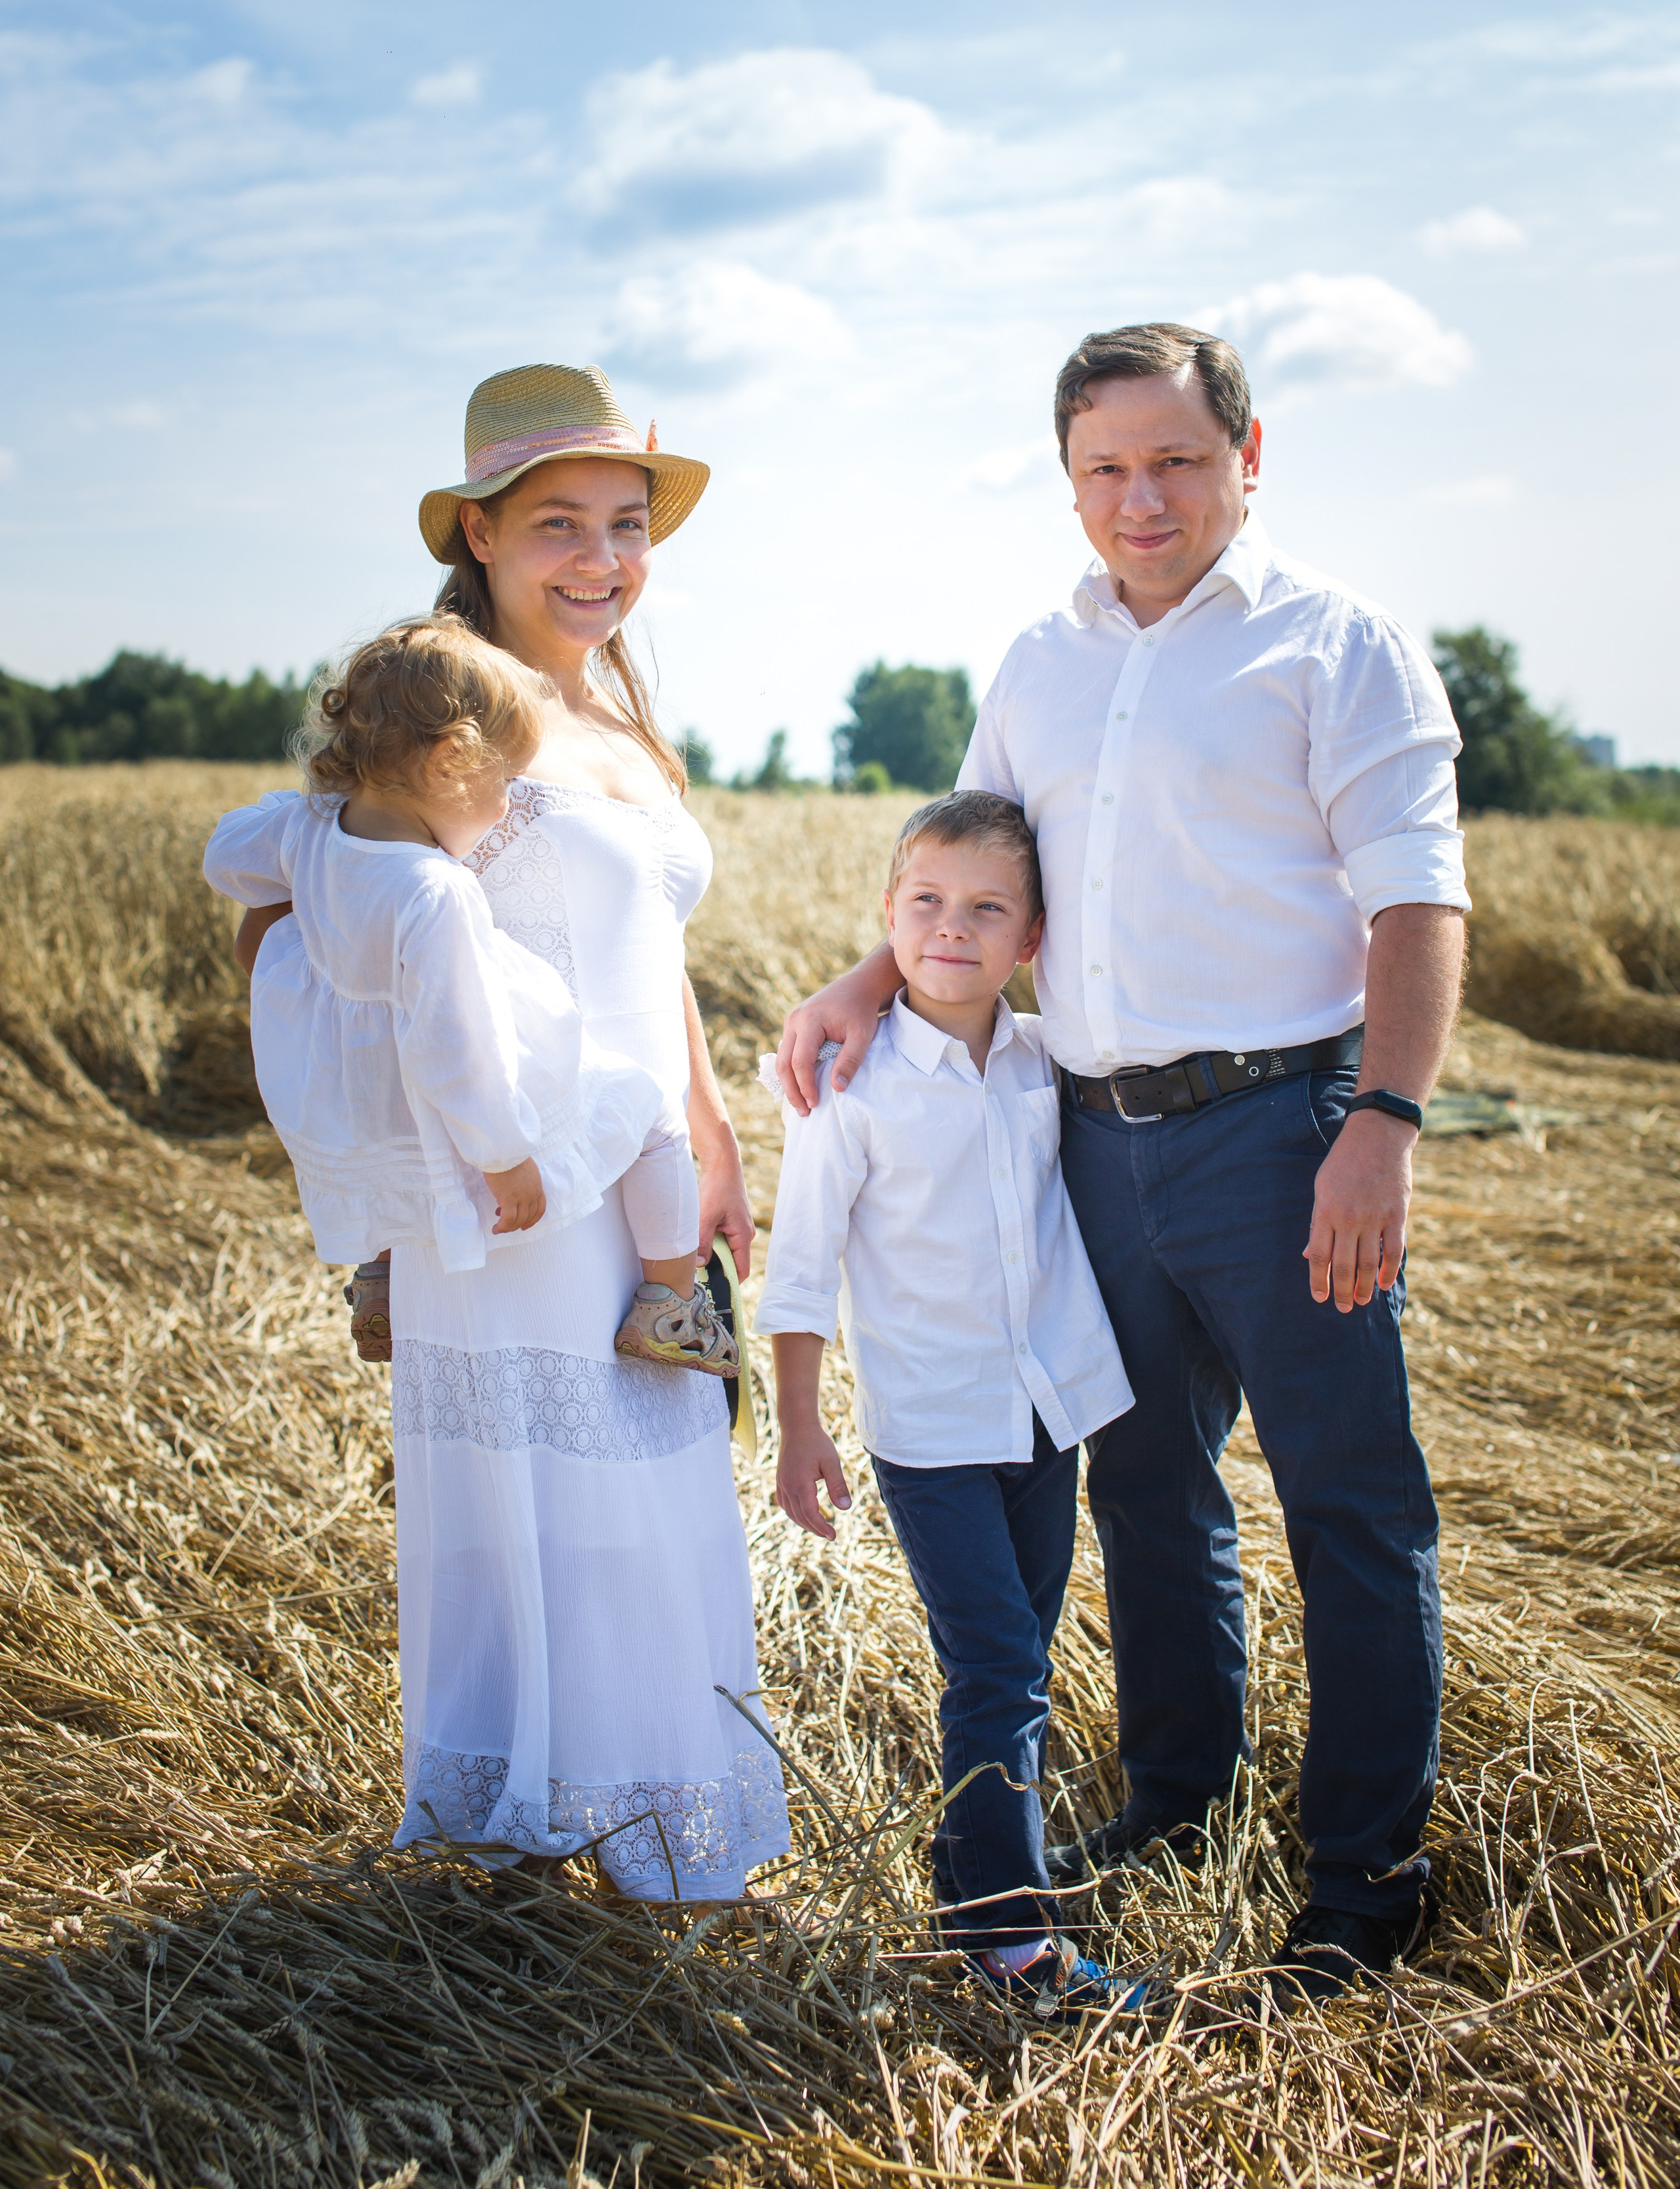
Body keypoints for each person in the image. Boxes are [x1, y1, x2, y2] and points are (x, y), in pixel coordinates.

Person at [776, 323, 1469, 2001]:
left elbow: (1414, 903)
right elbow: (973, 863)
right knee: (1145, 1489)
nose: (1137, 498)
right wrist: (869, 976)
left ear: (1247, 450)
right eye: (1103, 467)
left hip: (1282, 1126)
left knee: (1346, 1498)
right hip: (1087, 1134)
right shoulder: (1038, 655)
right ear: (1068, 477)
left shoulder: (1333, 643)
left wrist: (1379, 1123)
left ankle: (1365, 1867)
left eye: (1171, 460)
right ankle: (1176, 1797)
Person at [233, 361, 788, 1896]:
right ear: (477, 530)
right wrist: (420, 1140)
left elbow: (645, 953)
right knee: (549, 1501)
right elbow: (312, 904)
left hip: (640, 1164)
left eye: (626, 525)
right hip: (519, 1185)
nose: (602, 560)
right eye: (560, 524)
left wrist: (711, 1121)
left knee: (654, 1482)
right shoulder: (452, 707)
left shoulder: (612, 701)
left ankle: (636, 1816)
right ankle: (527, 1828)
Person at [759, 791, 1139, 2018]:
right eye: (924, 903)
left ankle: (964, 1887)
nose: (952, 929)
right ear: (885, 918)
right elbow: (803, 1271)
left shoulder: (1046, 1063)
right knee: (999, 1663)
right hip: (931, 1430)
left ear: (1032, 939)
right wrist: (802, 1426)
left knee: (1010, 1655)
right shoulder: (849, 1092)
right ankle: (1013, 1939)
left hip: (1045, 1414)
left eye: (987, 909)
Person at [205, 617, 732, 1378]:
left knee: (396, 1150)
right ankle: (672, 1304)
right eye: (504, 783)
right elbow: (461, 1041)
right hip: (460, 1107)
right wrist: (503, 1155)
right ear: (453, 760)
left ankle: (381, 1284)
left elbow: (228, 853)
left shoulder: (308, 832)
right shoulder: (435, 892)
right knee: (651, 1112)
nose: (506, 807)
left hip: (353, 1095)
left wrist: (317, 811)